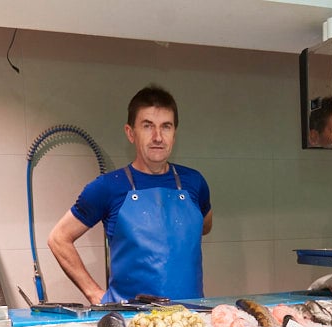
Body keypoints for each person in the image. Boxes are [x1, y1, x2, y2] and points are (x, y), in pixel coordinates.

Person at [47, 85, 213, 304]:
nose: (157, 137)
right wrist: (94, 293)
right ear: (130, 133)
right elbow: (58, 238)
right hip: (132, 322)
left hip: (191, 317)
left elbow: (205, 226)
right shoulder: (108, 187)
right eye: (147, 126)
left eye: (166, 127)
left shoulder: (194, 182)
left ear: (174, 134)